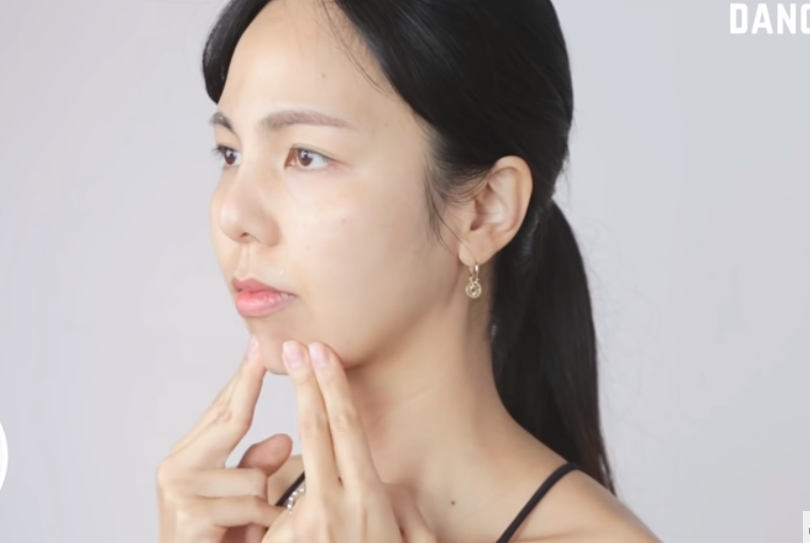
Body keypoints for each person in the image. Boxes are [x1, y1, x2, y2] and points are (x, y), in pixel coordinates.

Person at [157, 0, 663, 541]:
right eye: (230, 154)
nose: (234, 216)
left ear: (484, 210)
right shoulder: (246, 512)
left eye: (306, 155)